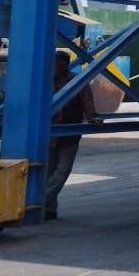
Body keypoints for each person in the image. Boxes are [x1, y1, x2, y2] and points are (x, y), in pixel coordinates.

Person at [44, 50, 98, 221]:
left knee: (61, 172)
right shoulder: (46, 82)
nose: (53, 67)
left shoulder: (76, 81)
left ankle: (40, 201)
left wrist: (92, 116)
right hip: (49, 135)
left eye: (56, 64)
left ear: (63, 65)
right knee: (48, 173)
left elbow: (87, 101)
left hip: (68, 136)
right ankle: (49, 210)